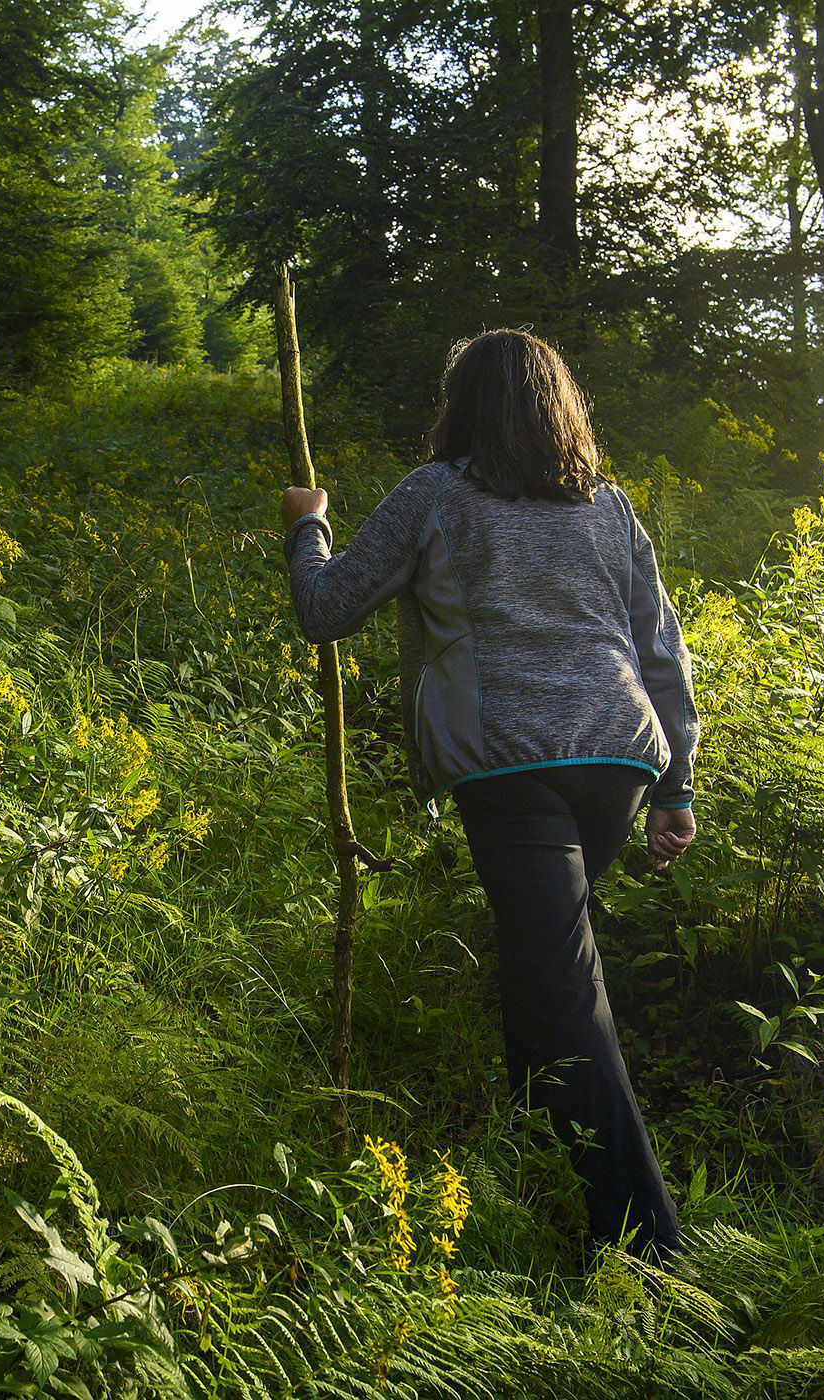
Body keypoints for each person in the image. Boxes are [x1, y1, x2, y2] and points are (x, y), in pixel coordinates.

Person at [279, 329, 698, 1261]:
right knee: (543, 969)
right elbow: (662, 653)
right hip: (621, 762)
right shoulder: (609, 508)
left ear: (461, 404)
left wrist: (308, 521)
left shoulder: (437, 494)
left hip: (512, 767)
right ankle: (539, 1159)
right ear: (562, 408)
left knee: (564, 988)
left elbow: (325, 609)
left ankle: (651, 1252)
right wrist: (675, 787)